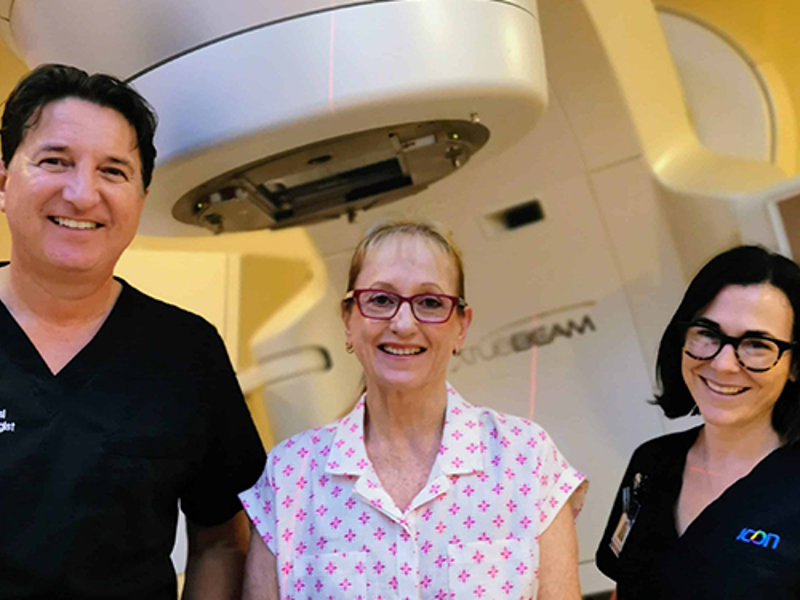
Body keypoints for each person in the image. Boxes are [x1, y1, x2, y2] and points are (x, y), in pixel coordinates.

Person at [0, 64, 265, 599]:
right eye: (55, 161)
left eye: (113, 171)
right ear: (4, 181)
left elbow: (221, 540)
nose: (82, 194)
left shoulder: (187, 355)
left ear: (141, 199)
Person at [239, 221, 587, 599]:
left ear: (461, 327)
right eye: (381, 300)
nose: (403, 324)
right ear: (348, 321)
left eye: (430, 303)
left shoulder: (526, 459)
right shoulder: (290, 476)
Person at [596, 245, 800, 599]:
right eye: (707, 333)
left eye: (756, 344)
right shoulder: (651, 464)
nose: (723, 364)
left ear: (795, 364)